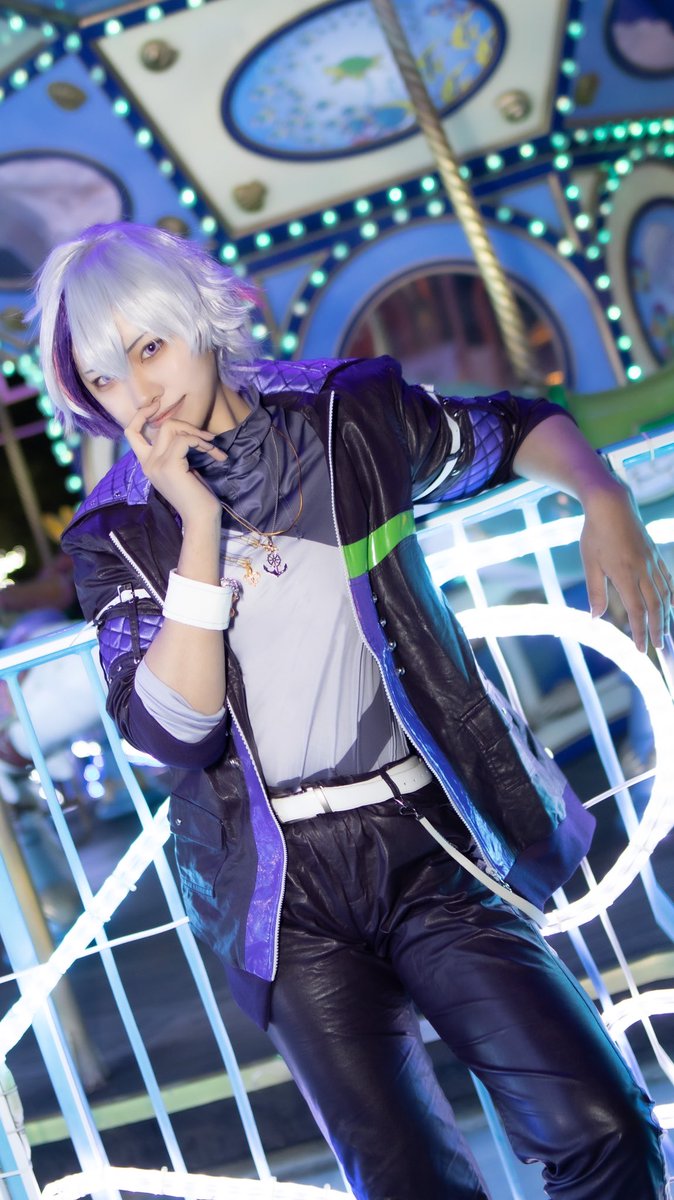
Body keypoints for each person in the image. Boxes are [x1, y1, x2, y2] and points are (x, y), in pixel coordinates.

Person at [34, 222, 670, 1200]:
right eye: (104, 378)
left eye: (149, 348)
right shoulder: (118, 530)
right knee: (410, 1187)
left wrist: (602, 492)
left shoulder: (345, 419)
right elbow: (173, 732)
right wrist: (196, 526)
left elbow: (509, 426)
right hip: (280, 894)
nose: (138, 393)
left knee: (602, 1127)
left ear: (199, 319)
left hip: (426, 844)